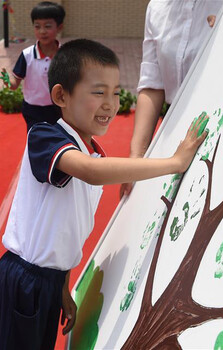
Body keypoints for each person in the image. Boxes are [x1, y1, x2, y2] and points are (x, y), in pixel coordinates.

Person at [0, 38, 208, 350]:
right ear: (61, 95)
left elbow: (68, 230)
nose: (110, 103)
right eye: (98, 92)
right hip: (25, 280)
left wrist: (63, 287)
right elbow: (90, 171)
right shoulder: (45, 137)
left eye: (114, 92)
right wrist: (174, 163)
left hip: (49, 281)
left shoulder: (92, 154)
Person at [121, 0, 223, 197]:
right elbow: (153, 85)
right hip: (174, 128)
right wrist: (136, 159)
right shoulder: (157, 7)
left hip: (222, 122)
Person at [1, 1, 65, 130]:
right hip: (33, 109)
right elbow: (15, 85)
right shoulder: (27, 55)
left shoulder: (65, 55)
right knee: (36, 141)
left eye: (47, 26)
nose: (42, 31)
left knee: (58, 142)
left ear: (59, 27)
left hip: (58, 109)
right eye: (37, 26)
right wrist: (7, 82)